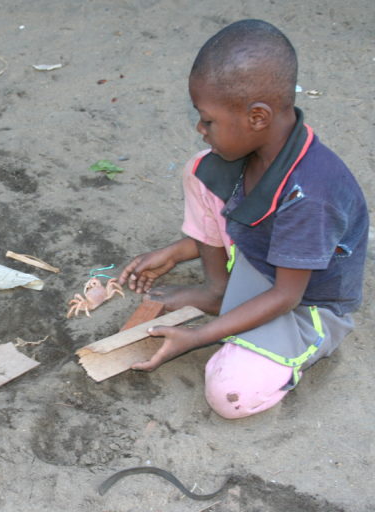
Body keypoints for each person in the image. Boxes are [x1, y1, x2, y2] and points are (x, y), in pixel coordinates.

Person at [118, 20, 368, 419]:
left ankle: (254, 338)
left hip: (307, 303)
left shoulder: (310, 195)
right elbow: (249, 222)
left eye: (208, 120)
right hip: (265, 263)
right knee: (201, 170)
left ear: (257, 117)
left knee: (228, 392)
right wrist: (179, 251)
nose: (200, 129)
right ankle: (219, 291)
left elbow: (286, 296)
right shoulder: (253, 152)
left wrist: (198, 337)